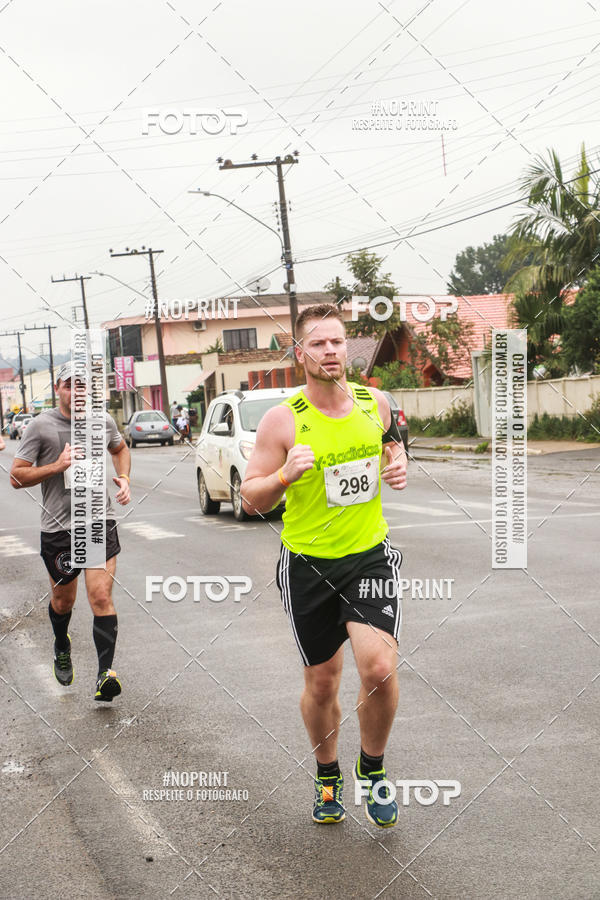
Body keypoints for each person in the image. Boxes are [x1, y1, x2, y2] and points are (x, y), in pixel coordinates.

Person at [241, 304, 408, 828]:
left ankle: (372, 769)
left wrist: (399, 461)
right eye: (318, 343)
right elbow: (249, 497)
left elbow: (393, 446)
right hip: (307, 566)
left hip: (368, 557)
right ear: (300, 353)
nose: (330, 351)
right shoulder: (283, 419)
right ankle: (327, 775)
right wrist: (284, 477)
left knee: (379, 669)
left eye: (337, 341)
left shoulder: (375, 403)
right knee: (322, 683)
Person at [10, 362, 131, 702]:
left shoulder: (102, 421)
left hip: (97, 523)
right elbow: (16, 476)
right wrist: (57, 466)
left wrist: (124, 478)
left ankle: (105, 674)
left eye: (82, 385)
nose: (76, 391)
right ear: (57, 388)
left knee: (101, 596)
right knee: (64, 601)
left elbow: (120, 449)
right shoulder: (40, 427)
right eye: (69, 385)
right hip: (59, 529)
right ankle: (62, 643)